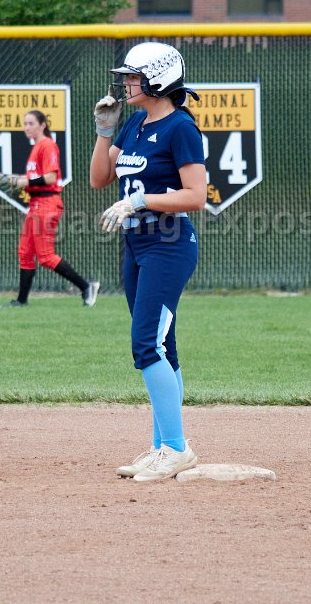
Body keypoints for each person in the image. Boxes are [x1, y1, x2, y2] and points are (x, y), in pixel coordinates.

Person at [89, 42, 207, 482]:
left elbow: (195, 196)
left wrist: (142, 200)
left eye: (134, 76)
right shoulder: (135, 123)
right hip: (136, 244)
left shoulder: (180, 127)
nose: (125, 83)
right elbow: (100, 178)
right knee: (161, 346)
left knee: (145, 345)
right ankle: (164, 446)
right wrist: (105, 131)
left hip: (168, 243)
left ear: (157, 80)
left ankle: (175, 448)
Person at [0, 110, 99, 308]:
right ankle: (21, 301)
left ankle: (86, 287)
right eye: (25, 123)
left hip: (47, 203)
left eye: (31, 123)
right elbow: (32, 179)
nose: (27, 127)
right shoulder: (36, 148)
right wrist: (11, 178)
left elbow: (51, 178)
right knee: (25, 252)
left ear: (42, 125)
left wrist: (20, 181)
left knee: (45, 256)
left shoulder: (47, 145)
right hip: (35, 204)